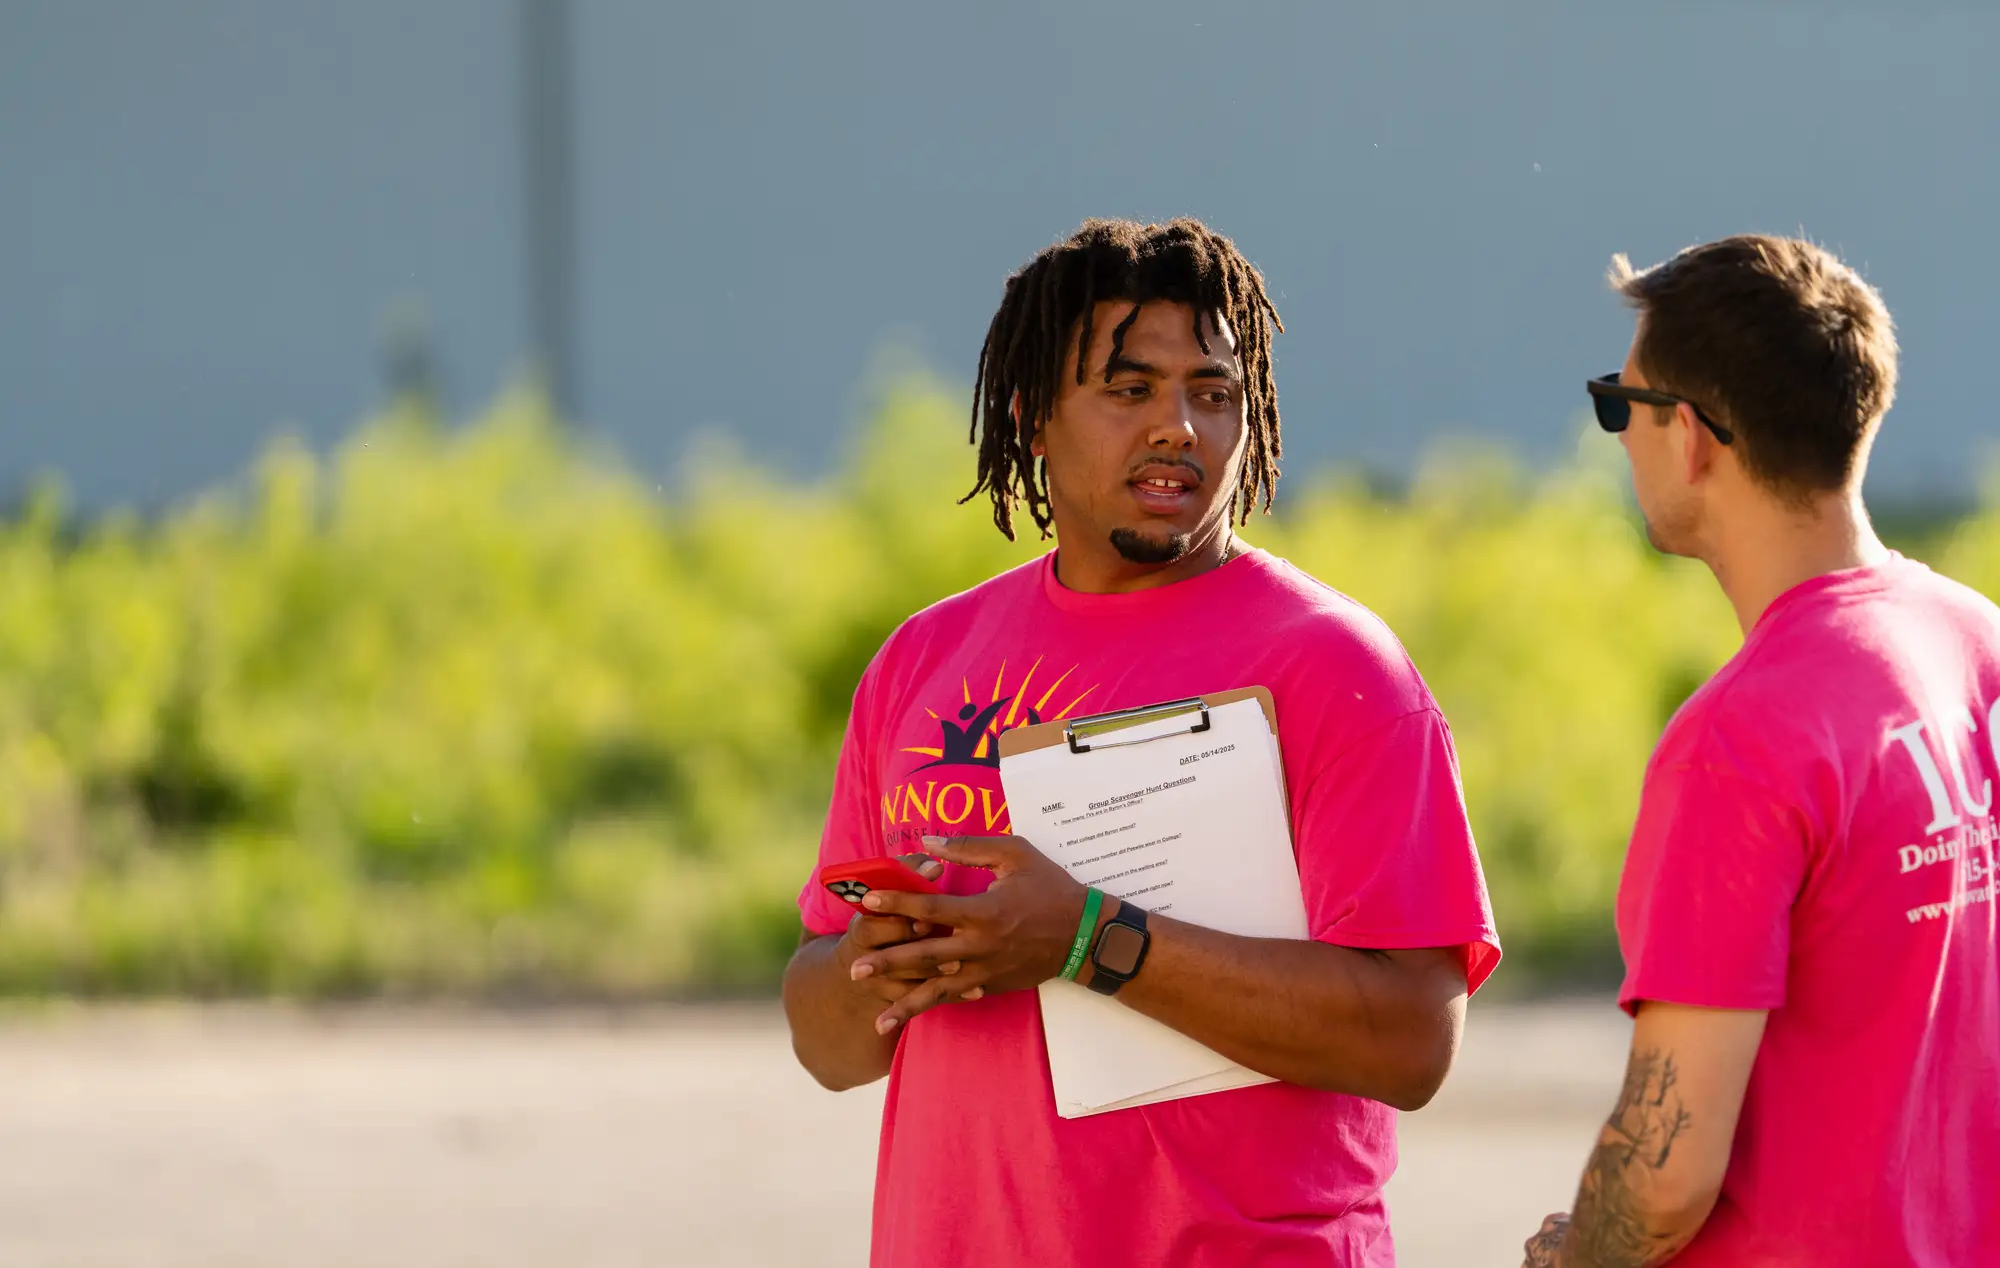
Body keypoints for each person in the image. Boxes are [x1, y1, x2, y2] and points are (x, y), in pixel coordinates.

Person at [783, 217, 1499, 1267]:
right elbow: (825, 1045)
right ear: (1030, 417)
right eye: (1129, 389)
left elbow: (1410, 1040)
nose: (1177, 426)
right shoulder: (921, 660)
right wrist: (879, 961)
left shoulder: (1334, 666)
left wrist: (1086, 938)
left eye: (1212, 392)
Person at [1523, 235, 2000, 1268]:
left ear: (1689, 438)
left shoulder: (1735, 743)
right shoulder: (1973, 642)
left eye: (1622, 404)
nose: (1615, 436)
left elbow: (1662, 1175)